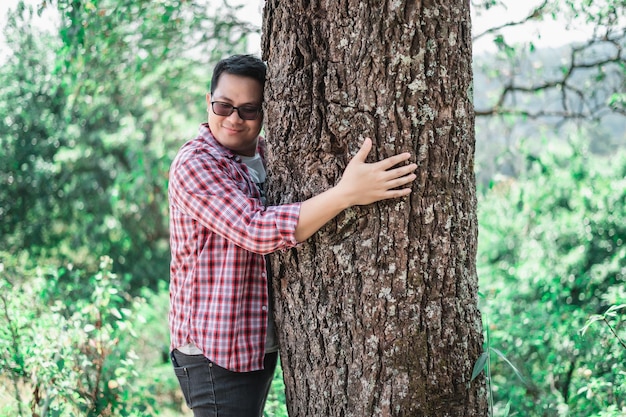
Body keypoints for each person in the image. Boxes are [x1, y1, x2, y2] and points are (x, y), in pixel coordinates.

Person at [168, 54, 417, 417]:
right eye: (224, 106)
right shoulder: (196, 164)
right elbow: (254, 229)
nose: (234, 118)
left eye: (249, 109)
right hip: (213, 351)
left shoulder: (271, 156)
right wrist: (346, 194)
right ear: (208, 102)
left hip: (255, 342)